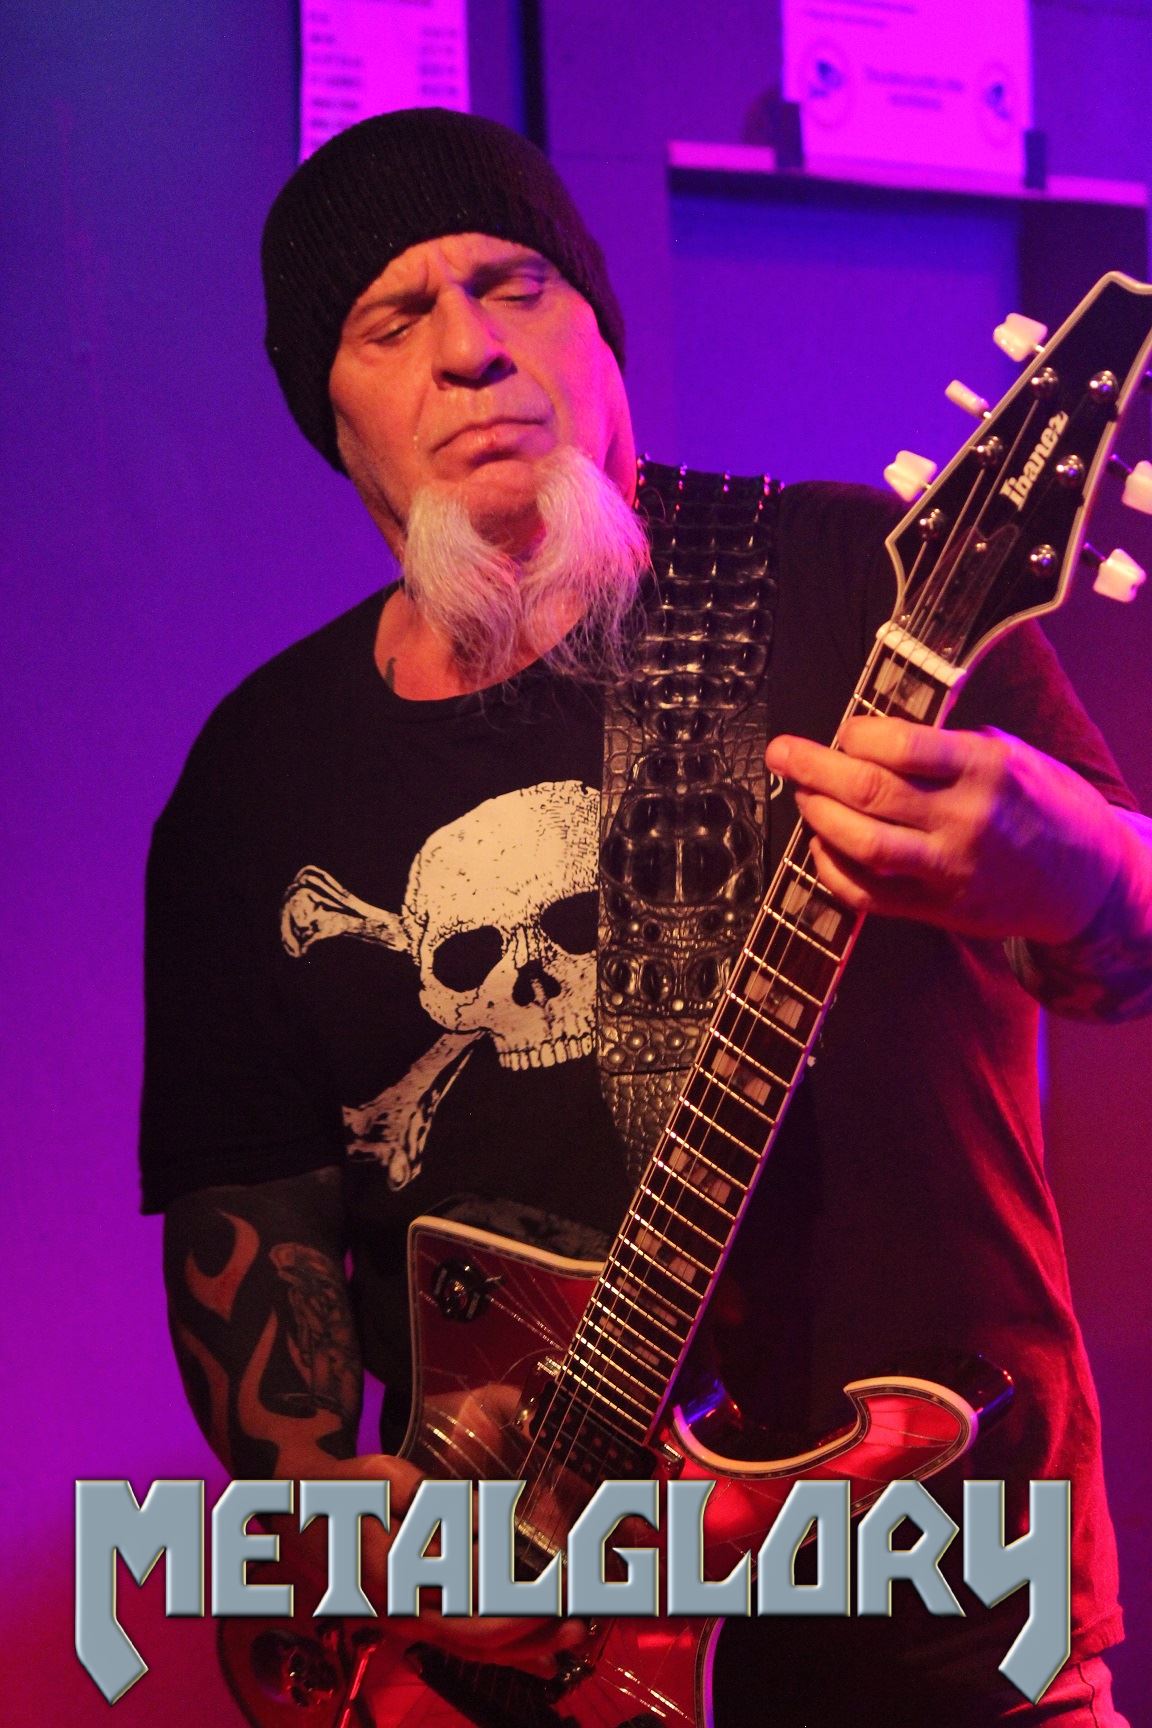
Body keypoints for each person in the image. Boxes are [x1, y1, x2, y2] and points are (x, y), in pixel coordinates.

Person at [141, 108, 1152, 1725]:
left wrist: (1081, 863)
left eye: (517, 284)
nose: (472, 348)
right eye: (394, 319)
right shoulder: (258, 774)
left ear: (600, 331)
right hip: (508, 1655)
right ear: (333, 414)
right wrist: (329, 1505)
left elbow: (1128, 945)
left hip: (950, 1625)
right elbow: (246, 1208)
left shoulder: (863, 582)